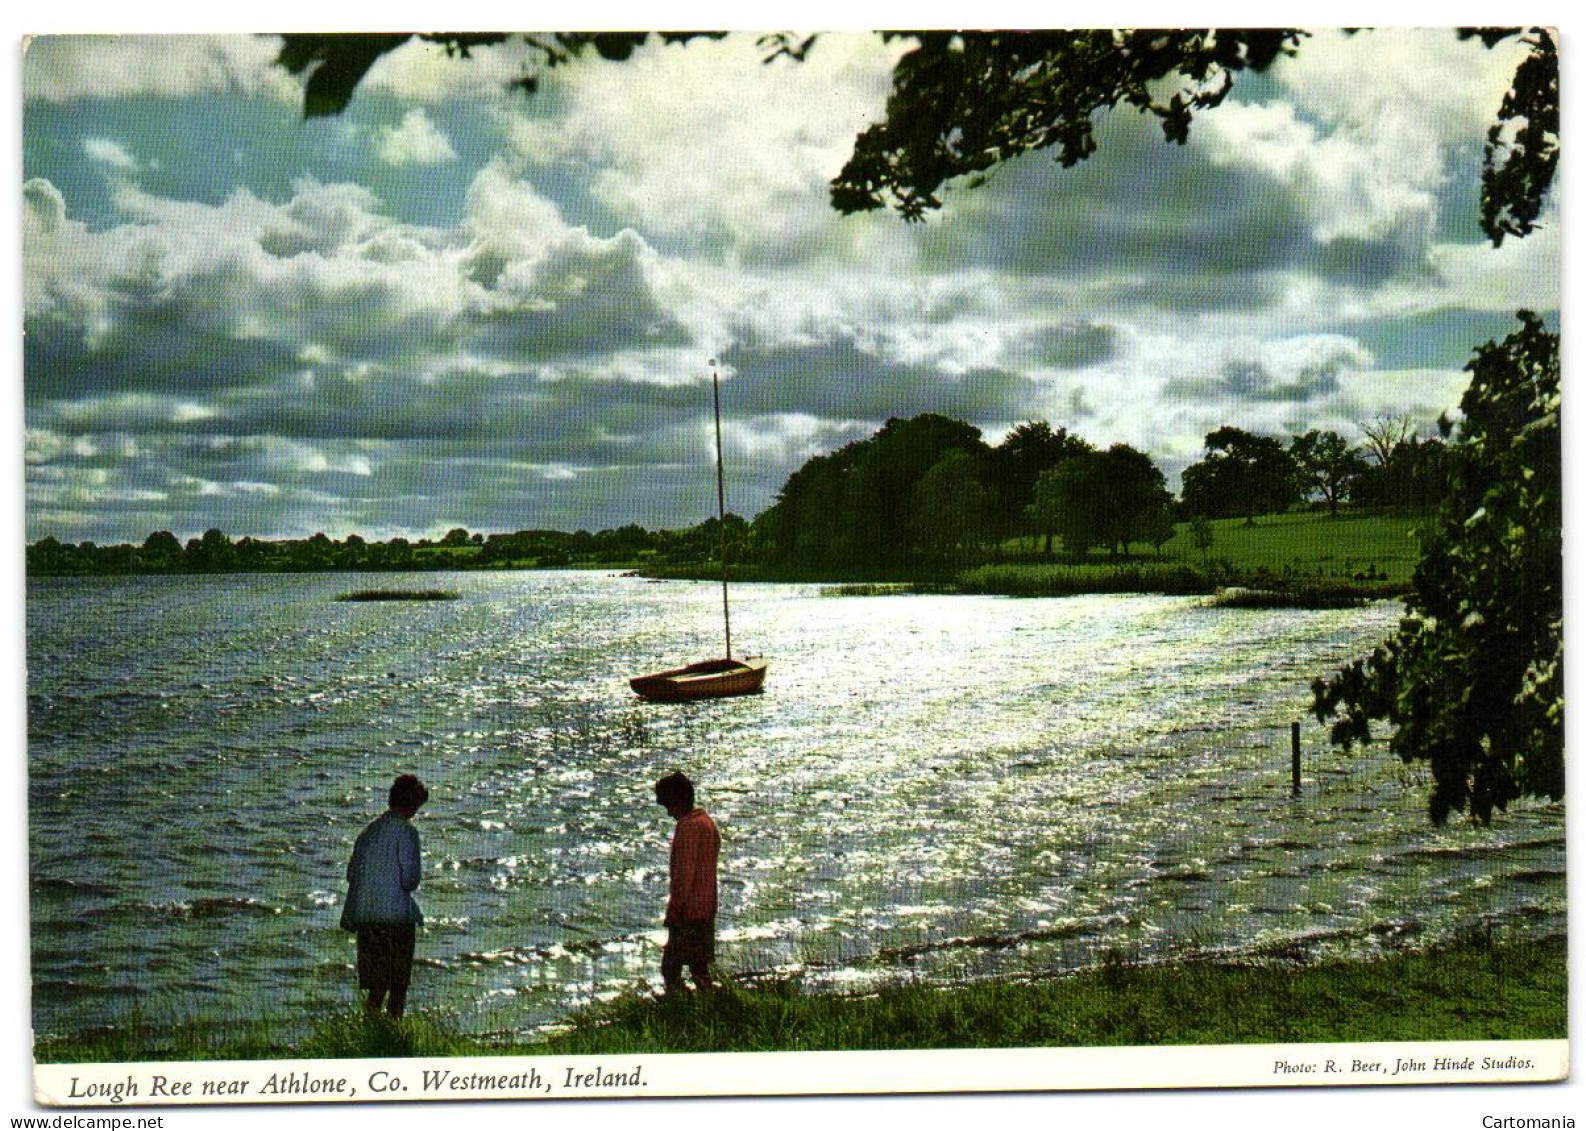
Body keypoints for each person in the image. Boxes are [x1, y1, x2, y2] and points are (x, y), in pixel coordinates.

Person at [341, 773, 428, 1018]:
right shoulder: (407, 832)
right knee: (398, 988)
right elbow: (409, 880)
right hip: (396, 919)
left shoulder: (368, 832)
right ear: (411, 805)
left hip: (367, 917)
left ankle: (370, 1034)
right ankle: (393, 1037)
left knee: (376, 989)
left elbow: (351, 874)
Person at [654, 770, 720, 994]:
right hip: (706, 909)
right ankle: (709, 1004)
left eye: (668, 806)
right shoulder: (708, 823)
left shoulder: (687, 827)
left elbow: (683, 876)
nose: (669, 813)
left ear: (677, 801)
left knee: (670, 969)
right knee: (699, 967)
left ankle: (679, 1008)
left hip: (687, 913)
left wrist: (674, 911)